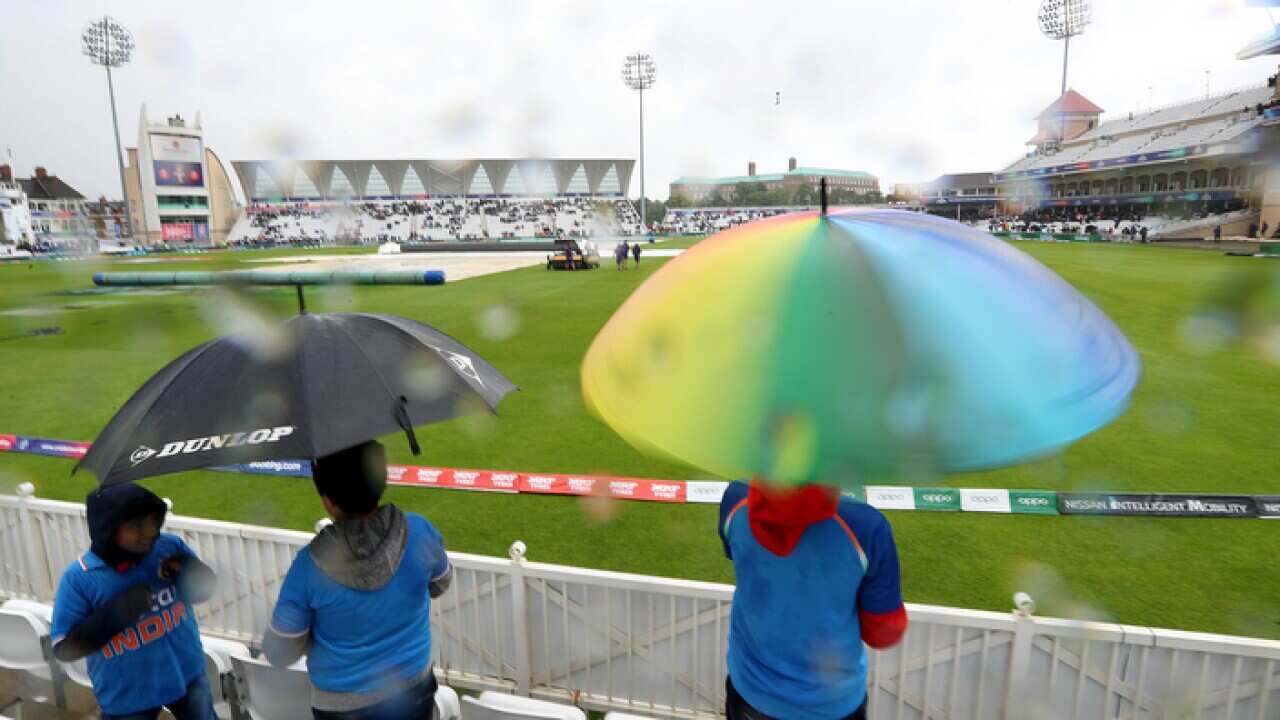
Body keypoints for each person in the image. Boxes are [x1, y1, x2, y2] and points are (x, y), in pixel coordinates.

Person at [264, 441, 453, 720]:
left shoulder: (308, 566)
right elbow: (441, 583)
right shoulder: (419, 530)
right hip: (414, 688)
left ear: (327, 500)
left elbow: (280, 651)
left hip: (343, 706)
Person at [718, 479, 906, 720]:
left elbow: (742, 559)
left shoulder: (735, 500)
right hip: (830, 704)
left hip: (749, 692)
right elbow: (884, 632)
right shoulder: (866, 527)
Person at [51, 484, 218, 720]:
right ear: (108, 529)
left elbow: (205, 591)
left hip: (187, 672)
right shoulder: (81, 578)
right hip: (128, 695)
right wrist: (114, 615)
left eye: (153, 521)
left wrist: (190, 569)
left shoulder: (169, 547)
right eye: (136, 526)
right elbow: (63, 648)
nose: (149, 532)